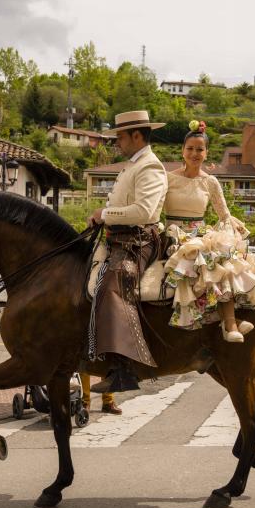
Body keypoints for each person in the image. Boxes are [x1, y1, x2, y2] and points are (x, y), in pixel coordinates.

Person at [163, 121, 255, 341]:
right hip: (173, 234)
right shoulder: (168, 178)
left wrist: (230, 241)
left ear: (207, 153)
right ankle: (227, 322)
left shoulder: (211, 182)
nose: (194, 153)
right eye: (190, 148)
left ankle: (230, 325)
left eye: (200, 149)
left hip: (199, 234)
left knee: (220, 262)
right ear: (182, 151)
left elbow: (224, 215)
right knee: (201, 260)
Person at [88, 110, 168, 394]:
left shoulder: (150, 167)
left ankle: (123, 368)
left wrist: (105, 213)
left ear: (137, 136)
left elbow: (143, 211)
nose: (117, 142)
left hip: (139, 240)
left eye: (120, 137)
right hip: (120, 238)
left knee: (113, 285)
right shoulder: (133, 165)